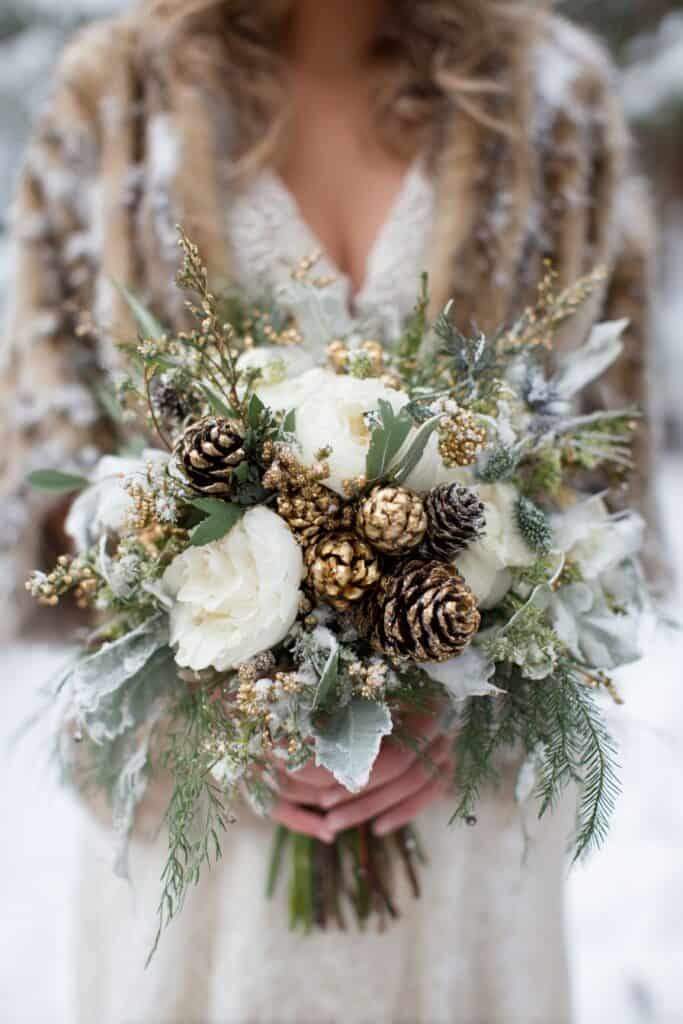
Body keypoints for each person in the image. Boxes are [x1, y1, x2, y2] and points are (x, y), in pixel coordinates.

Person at [0, 1, 657, 1021]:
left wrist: (477, 708)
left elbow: (600, 473)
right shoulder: (114, 96)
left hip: (459, 819)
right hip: (203, 829)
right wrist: (212, 714)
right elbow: (47, 477)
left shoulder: (552, 99)